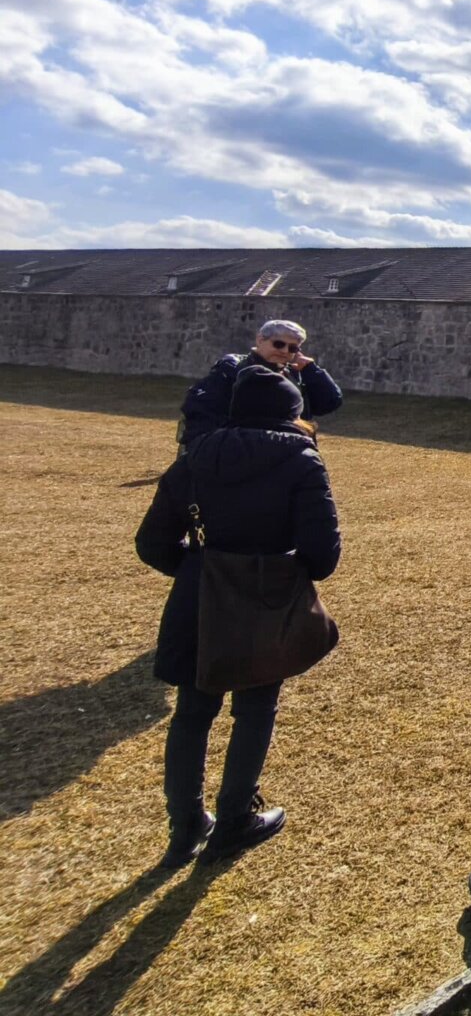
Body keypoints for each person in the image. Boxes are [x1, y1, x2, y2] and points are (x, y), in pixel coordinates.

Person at [136, 366, 342, 866]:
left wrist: (197, 568)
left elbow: (152, 542)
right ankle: (234, 818)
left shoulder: (195, 458)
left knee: (192, 712)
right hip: (266, 595)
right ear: (292, 414)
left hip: (200, 593)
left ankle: (185, 824)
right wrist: (280, 570)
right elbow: (322, 553)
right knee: (254, 709)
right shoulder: (302, 461)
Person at [179, 319, 343, 448]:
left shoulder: (294, 373)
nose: (285, 351)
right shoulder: (233, 370)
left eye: (293, 348)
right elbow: (201, 415)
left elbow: (329, 403)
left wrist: (311, 369)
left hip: (291, 452)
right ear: (260, 340)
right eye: (278, 344)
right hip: (247, 452)